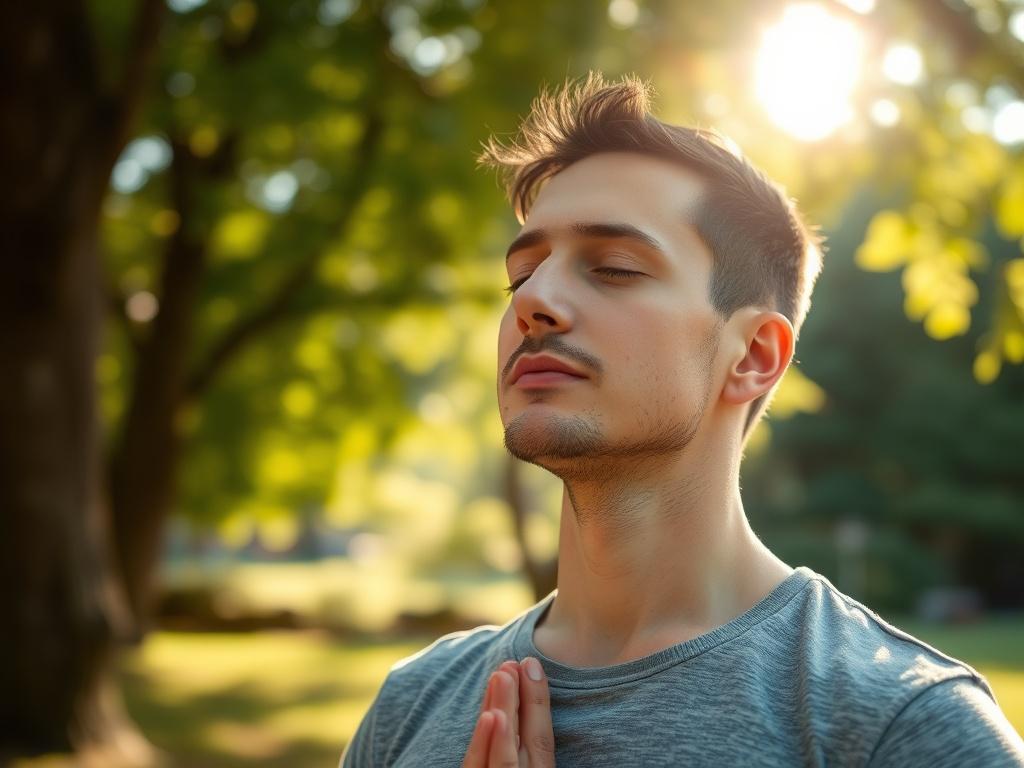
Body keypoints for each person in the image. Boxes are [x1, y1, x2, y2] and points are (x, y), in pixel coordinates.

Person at [341, 73, 1024, 767]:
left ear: (754, 355)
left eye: (611, 267)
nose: (534, 301)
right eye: (521, 275)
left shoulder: (904, 727)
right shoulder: (410, 705)